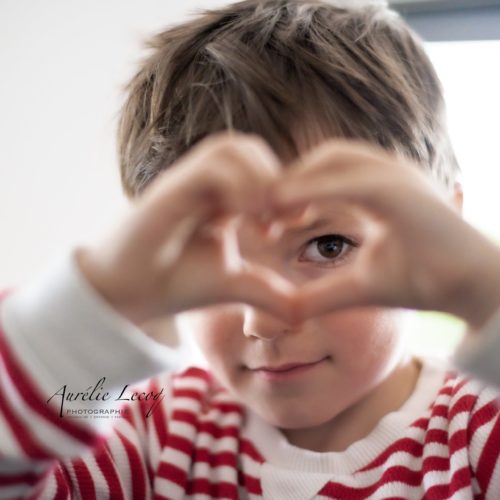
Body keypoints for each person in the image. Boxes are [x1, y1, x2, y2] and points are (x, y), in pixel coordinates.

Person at [1, 0, 500, 498]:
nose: (260, 323)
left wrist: (484, 289)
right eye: (219, 258)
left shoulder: (477, 432)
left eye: (327, 247)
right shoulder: (150, 433)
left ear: (442, 221)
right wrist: (100, 299)